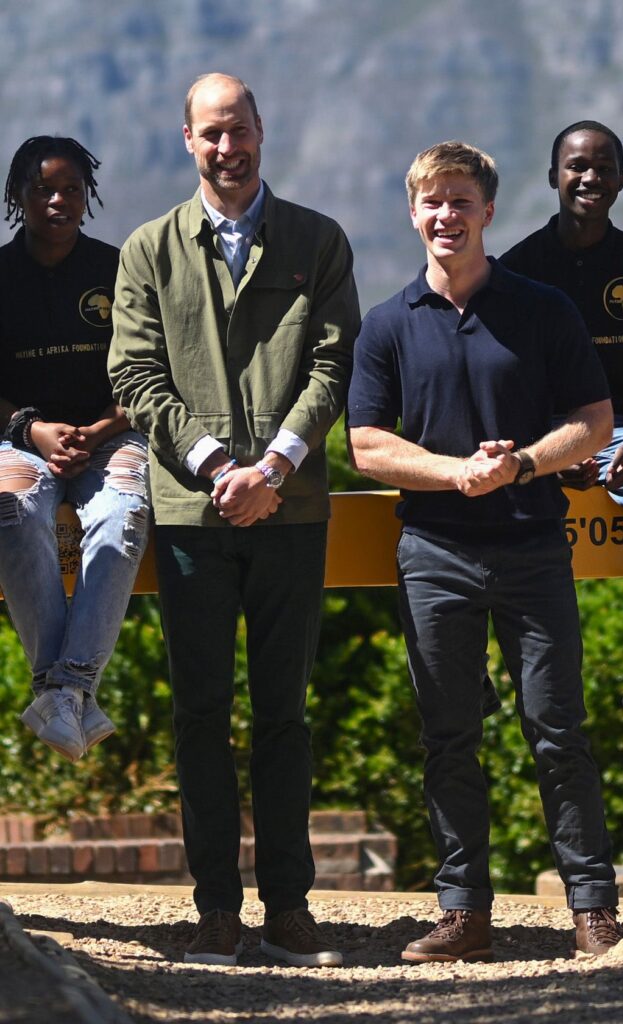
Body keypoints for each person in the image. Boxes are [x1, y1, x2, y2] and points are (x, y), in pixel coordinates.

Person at [347, 140, 621, 962]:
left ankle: (592, 908)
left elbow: (595, 421)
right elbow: (365, 445)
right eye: (431, 202)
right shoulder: (387, 324)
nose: (445, 216)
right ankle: (463, 911)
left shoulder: (541, 308)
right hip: (434, 554)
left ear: (487, 212)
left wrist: (521, 465)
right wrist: (456, 474)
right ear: (411, 212)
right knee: (448, 735)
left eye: (460, 201)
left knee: (557, 730)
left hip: (535, 546)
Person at [108, 74, 359, 968]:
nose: (228, 148)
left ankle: (288, 909)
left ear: (262, 131)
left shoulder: (318, 241)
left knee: (283, 713)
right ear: (187, 140)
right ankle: (216, 911)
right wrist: (221, 469)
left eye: (240, 130)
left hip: (289, 513)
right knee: (202, 713)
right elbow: (134, 377)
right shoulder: (146, 250)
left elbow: (331, 369)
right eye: (212, 134)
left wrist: (276, 467)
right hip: (191, 517)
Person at [501, 121, 623, 757]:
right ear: (554, 176)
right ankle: (483, 682)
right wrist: (553, 458)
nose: (590, 178)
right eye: (577, 166)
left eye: (604, 168)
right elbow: (512, 386)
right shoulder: (519, 271)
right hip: (546, 442)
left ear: (622, 181)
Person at [0, 136, 150, 764]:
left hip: (109, 436)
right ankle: (69, 692)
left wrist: (100, 429)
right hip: (20, 439)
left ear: (87, 196)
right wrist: (33, 429)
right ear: (18, 197)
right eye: (42, 188)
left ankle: (62, 690)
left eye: (70, 188)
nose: (57, 200)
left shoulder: (119, 270)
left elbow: (151, 372)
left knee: (126, 516)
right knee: (12, 511)